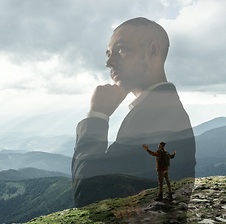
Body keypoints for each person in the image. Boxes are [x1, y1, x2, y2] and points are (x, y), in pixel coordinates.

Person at [71, 17, 196, 208]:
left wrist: (98, 115)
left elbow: (87, 195)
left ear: (153, 50)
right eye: (108, 53)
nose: (109, 63)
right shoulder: (160, 107)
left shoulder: (154, 116)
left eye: (121, 50)